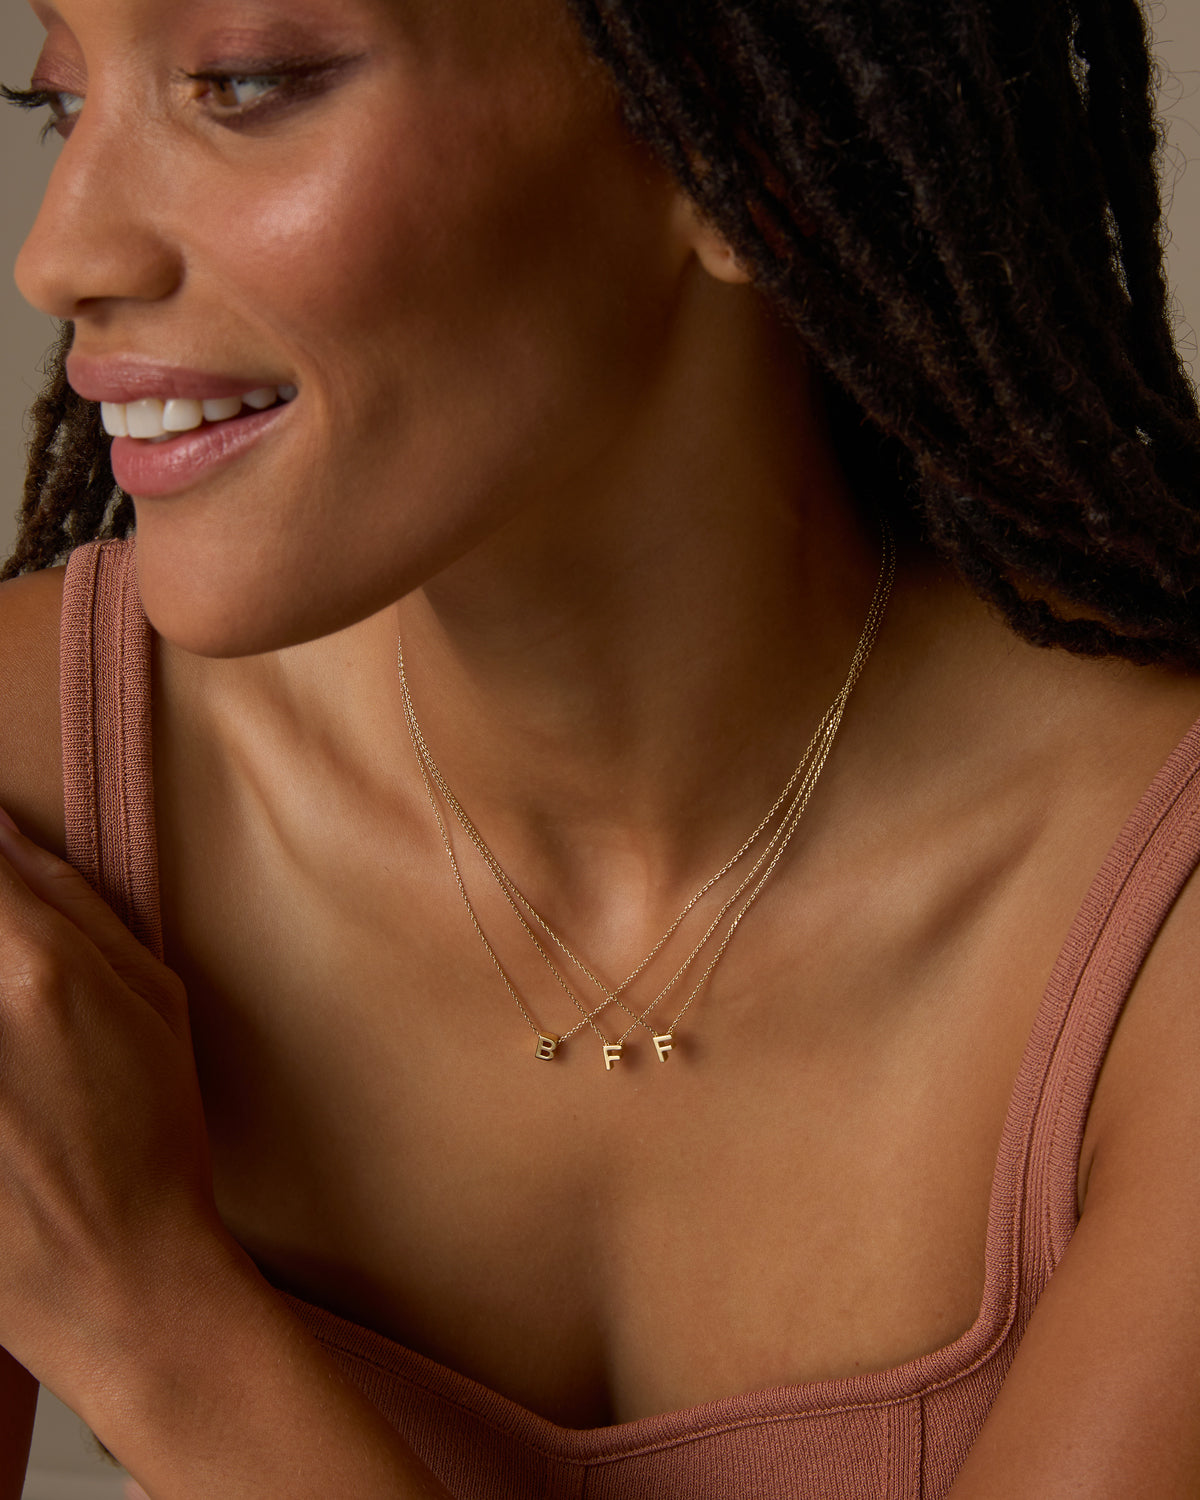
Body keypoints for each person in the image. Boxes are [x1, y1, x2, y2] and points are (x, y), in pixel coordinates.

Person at [0, 0, 1198, 1495]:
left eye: (246, 84)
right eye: (60, 99)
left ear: (736, 152)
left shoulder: (1160, 911)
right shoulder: (36, 780)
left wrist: (152, 1325)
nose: (59, 254)